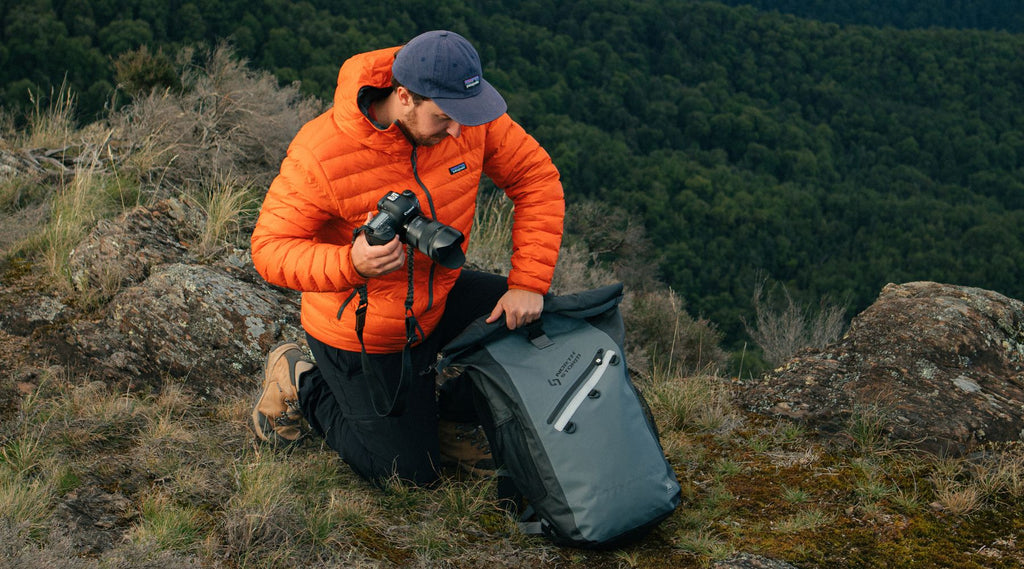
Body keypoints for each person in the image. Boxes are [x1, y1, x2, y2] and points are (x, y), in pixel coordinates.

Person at [249, 30, 564, 487]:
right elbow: (269, 250)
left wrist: (528, 283)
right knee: (409, 476)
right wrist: (350, 264)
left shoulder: (466, 116)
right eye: (445, 117)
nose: (459, 130)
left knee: (541, 320)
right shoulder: (322, 152)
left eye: (465, 115)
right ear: (404, 97)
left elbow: (536, 179)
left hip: (437, 298)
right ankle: (301, 380)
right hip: (364, 330)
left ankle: (445, 416)